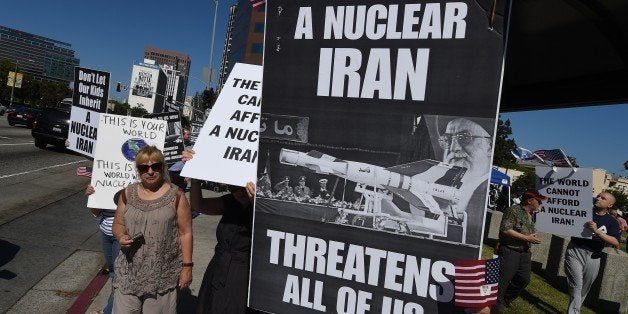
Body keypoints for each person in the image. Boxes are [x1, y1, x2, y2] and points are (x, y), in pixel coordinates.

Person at [112, 145, 193, 313]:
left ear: (162, 167)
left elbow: (185, 233)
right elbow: (118, 224)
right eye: (144, 167)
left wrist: (187, 267)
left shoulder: (176, 195)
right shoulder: (127, 193)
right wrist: (120, 236)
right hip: (129, 272)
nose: (150, 171)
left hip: (161, 275)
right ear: (138, 169)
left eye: (155, 166)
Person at [181, 149, 258, 313]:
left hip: (245, 273)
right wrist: (195, 180)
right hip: (219, 268)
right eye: (233, 187)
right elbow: (198, 205)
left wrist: (258, 205)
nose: (239, 192)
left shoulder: (263, 208)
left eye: (243, 187)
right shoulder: (230, 202)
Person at [564, 191, 620, 314]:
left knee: (584, 288)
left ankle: (573, 309)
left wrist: (598, 232)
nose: (598, 198)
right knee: (576, 284)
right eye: (598, 196)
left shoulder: (612, 222)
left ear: (609, 205)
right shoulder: (583, 213)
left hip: (594, 256)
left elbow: (615, 242)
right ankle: (574, 312)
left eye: (603, 198)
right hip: (575, 250)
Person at [439, 117, 492, 245]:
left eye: (464, 138)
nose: (453, 148)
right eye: (448, 139)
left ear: (489, 146)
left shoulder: (486, 193)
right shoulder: (430, 183)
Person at [493, 189, 546, 312]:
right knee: (503, 280)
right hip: (511, 250)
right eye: (538, 201)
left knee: (524, 279)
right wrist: (527, 237)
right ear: (530, 201)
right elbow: (506, 229)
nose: (540, 203)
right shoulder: (513, 210)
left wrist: (530, 236)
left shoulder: (531, 214)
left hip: (525, 252)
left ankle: (506, 299)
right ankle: (497, 304)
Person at [85, 184, 119, 314]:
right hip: (106, 233)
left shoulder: (132, 176)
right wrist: (92, 197)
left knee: (118, 276)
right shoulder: (103, 179)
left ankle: (109, 311)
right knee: (113, 272)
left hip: (121, 236)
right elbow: (96, 213)